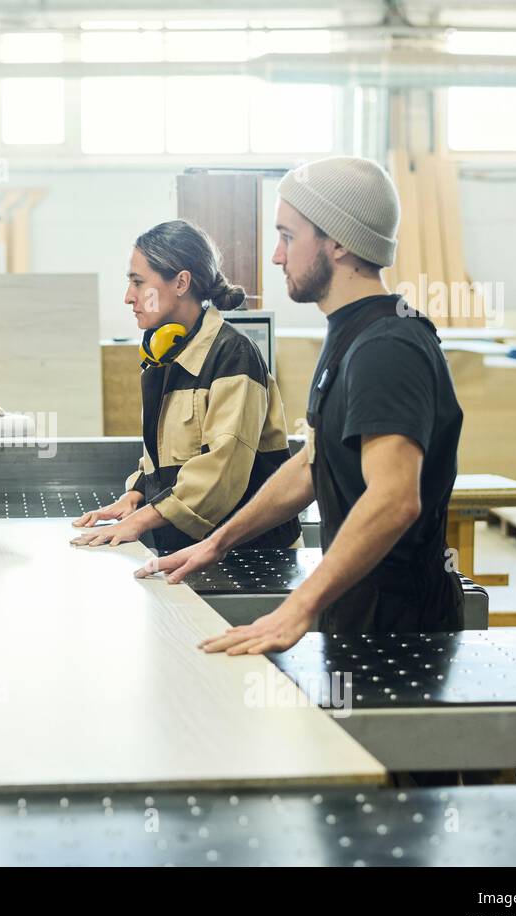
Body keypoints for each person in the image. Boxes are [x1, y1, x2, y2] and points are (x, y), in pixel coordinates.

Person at [137, 157, 464, 654]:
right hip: (357, 613)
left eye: (287, 236)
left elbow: (395, 498)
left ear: (337, 241)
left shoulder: (387, 348)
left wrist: (299, 606)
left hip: (402, 628)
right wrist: (216, 543)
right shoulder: (350, 336)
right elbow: (315, 464)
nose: (275, 256)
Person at [72, 219, 300, 555]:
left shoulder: (233, 357)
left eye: (138, 282)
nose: (128, 297)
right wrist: (136, 492)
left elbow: (220, 475)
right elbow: (167, 449)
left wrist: (141, 520)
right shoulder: (165, 352)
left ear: (181, 282)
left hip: (248, 552)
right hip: (192, 549)